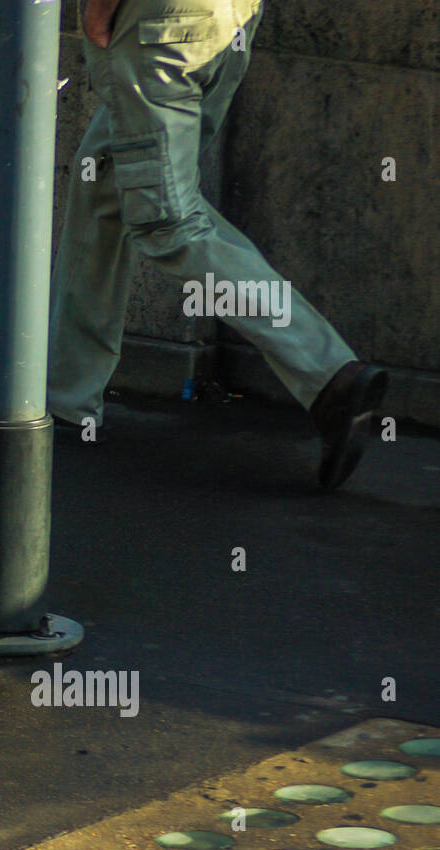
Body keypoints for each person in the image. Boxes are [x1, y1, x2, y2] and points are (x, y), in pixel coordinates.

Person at [49, 0, 387, 489]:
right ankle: (65, 398)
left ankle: (330, 372)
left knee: (170, 221)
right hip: (225, 21)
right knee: (105, 181)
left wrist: (98, 14)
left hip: (159, 26)